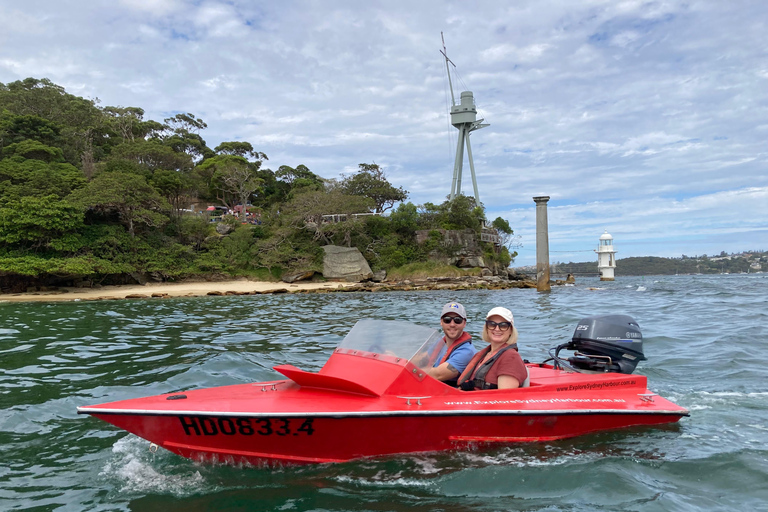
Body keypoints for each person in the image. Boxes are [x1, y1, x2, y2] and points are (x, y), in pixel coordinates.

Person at [457, 307, 528, 390]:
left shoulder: (511, 357)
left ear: (511, 331)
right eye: (492, 324)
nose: (497, 329)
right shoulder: (485, 355)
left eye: (503, 325)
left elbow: (504, 398)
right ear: (486, 328)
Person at [427, 302, 477, 387]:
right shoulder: (440, 343)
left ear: (464, 323)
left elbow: (437, 375)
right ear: (441, 322)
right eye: (447, 320)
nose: (452, 324)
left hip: (447, 395)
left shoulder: (466, 352)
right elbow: (421, 358)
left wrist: (408, 369)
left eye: (457, 320)